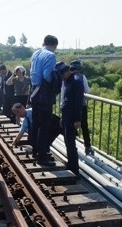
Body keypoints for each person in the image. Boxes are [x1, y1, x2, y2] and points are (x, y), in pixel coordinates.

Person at [29, 35, 59, 166]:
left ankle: (35, 151)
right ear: (54, 45)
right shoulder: (50, 55)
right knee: (45, 125)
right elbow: (47, 76)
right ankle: (42, 156)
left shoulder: (36, 53)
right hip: (44, 94)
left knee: (36, 123)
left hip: (34, 92)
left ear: (44, 43)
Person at [57, 61, 84, 175]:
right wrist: (63, 117)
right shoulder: (67, 81)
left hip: (73, 116)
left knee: (71, 143)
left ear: (67, 71)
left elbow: (78, 102)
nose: (61, 77)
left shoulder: (76, 81)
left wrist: (78, 119)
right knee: (67, 141)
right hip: (67, 115)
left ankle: (74, 168)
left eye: (62, 74)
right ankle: (71, 164)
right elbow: (65, 99)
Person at [70, 60, 94, 155]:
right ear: (79, 69)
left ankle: (72, 146)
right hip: (81, 105)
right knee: (84, 126)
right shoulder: (82, 77)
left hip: (70, 105)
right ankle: (87, 147)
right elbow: (87, 91)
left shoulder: (67, 77)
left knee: (71, 126)